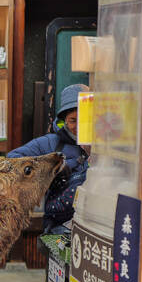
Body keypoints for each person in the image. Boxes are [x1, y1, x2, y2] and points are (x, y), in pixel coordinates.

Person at [8, 83, 90, 234]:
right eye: (73, 120)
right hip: (58, 227)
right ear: (64, 121)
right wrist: (51, 167)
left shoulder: (104, 145)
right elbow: (13, 159)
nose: (78, 126)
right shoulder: (51, 143)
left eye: (84, 119)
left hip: (93, 225)